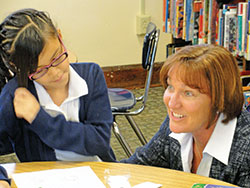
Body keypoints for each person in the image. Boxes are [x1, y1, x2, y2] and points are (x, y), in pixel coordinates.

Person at [121, 44, 250, 187]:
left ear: (220, 99)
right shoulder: (177, 122)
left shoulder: (245, 149)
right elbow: (135, 168)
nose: (172, 103)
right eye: (171, 87)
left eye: (188, 93)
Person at [0, 8, 115, 162]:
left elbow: (99, 142)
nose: (55, 73)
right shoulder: (15, 95)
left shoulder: (91, 75)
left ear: (60, 37)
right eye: (40, 70)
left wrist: (39, 118)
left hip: (98, 173)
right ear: (19, 67)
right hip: (44, 180)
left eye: (56, 57)